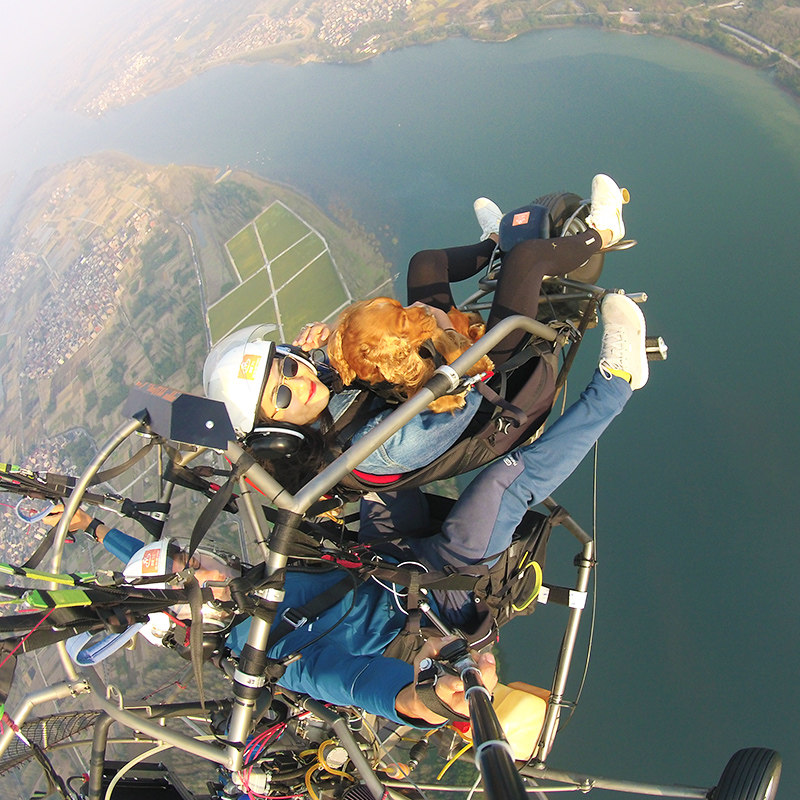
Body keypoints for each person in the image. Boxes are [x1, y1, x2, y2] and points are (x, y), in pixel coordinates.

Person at [51, 292, 647, 726]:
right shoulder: (268, 649)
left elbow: (148, 571)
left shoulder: (245, 582)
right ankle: (618, 381)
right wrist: (425, 700)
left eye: (187, 550)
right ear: (194, 615)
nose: (201, 558)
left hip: (388, 560)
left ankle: (489, 337)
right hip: (437, 600)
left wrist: (91, 524)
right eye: (191, 571)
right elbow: (357, 683)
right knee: (504, 484)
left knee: (378, 468)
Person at [203, 174, 631, 487]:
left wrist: (330, 342)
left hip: (438, 362)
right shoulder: (376, 449)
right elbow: (457, 400)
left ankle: (495, 240)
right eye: (280, 396)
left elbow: (363, 358)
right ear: (275, 433)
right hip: (489, 387)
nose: (299, 384)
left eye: (287, 368)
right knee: (527, 262)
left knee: (424, 264)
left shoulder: (317, 411)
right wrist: (441, 327)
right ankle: (605, 231)